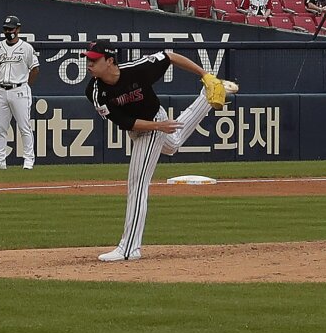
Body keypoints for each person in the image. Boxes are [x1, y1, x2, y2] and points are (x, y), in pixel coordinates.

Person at [84, 41, 236, 262]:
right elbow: (125, 122)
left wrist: (206, 75)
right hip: (145, 126)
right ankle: (205, 97)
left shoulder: (137, 70)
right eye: (88, 59)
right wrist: (159, 127)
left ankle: (129, 248)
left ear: (109, 61)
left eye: (94, 59)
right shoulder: (95, 91)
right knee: (172, 144)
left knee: (137, 184)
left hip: (154, 122)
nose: (89, 64)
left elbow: (170, 56)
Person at [0, 14, 41, 171]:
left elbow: (35, 68)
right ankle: (0, 160)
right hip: (1, 90)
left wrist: (26, 84)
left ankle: (28, 160)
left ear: (18, 29)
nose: (8, 31)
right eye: (6, 29)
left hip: (19, 89)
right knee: (0, 127)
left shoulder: (26, 47)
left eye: (11, 29)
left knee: (24, 127)